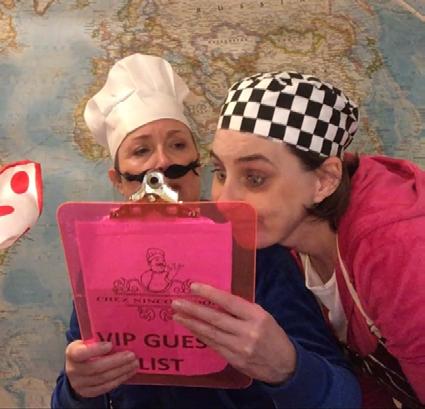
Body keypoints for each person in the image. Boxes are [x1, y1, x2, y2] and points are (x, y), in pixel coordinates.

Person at [51, 54, 361, 408]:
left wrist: (288, 367)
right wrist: (78, 390)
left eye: (178, 145)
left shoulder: (255, 253)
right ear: (119, 181)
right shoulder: (99, 262)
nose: (163, 162)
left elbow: (343, 397)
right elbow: (68, 397)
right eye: (141, 150)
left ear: (198, 167)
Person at [193, 70, 425, 408]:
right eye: (220, 173)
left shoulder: (399, 250)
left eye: (255, 178)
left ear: (325, 180)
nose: (224, 202)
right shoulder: (285, 243)